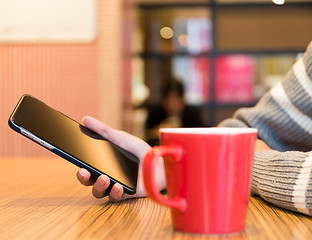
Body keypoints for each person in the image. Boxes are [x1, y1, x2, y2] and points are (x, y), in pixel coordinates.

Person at [77, 41, 312, 216]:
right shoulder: (156, 112)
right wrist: (168, 169)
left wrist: (249, 162)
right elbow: (244, 130)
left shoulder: (191, 112)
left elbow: (240, 145)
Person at [145, 79, 203, 146]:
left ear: (182, 99)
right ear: (163, 100)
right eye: (169, 98)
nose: (172, 103)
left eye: (175, 98)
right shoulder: (155, 114)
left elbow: (198, 137)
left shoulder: (192, 115)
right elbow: (148, 137)